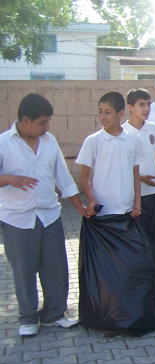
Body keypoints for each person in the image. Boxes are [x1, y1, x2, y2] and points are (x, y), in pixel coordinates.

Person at [0, 94, 88, 337]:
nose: (47, 127)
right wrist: (9, 179)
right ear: (25, 120)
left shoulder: (49, 142)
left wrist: (79, 207)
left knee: (55, 268)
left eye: (48, 122)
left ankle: (54, 314)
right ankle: (28, 318)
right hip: (17, 219)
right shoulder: (4, 143)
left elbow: (63, 176)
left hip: (49, 216)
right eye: (42, 122)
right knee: (24, 270)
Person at [122, 88, 155, 293]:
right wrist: (139, 178)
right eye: (141, 105)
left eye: (147, 104)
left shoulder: (153, 128)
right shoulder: (123, 132)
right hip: (133, 195)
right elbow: (123, 165)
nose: (146, 109)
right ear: (129, 108)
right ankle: (137, 279)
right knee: (136, 237)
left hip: (154, 194)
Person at [76, 91, 144, 219]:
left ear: (120, 114)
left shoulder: (134, 141)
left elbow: (135, 175)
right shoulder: (93, 140)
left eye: (107, 112)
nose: (103, 116)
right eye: (100, 111)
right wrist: (92, 201)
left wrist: (137, 203)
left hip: (127, 211)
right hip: (102, 212)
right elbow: (84, 177)